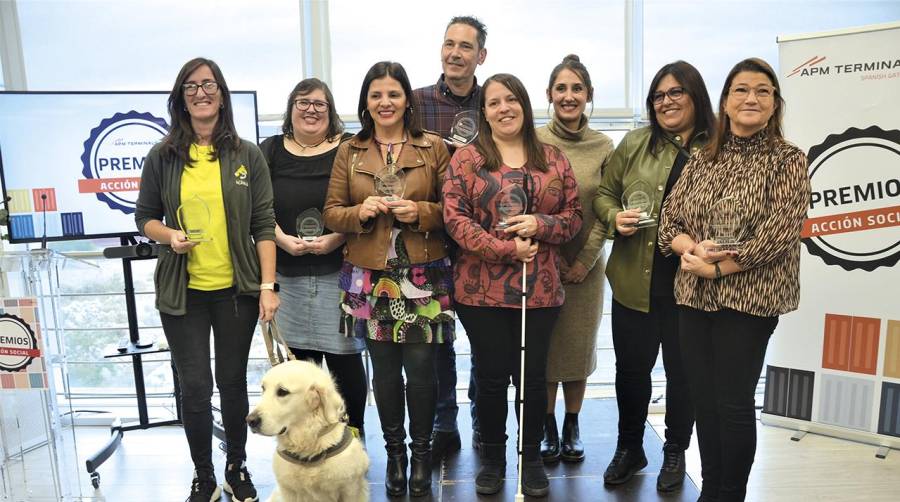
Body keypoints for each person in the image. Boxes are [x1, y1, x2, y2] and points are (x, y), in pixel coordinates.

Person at [658, 57, 810, 502]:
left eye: (763, 91)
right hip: (693, 297)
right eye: (741, 89)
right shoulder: (703, 157)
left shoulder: (788, 160)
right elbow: (670, 221)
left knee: (734, 404)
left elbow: (778, 235)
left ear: (775, 104)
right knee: (704, 404)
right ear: (724, 102)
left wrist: (719, 267)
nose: (751, 98)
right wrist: (691, 249)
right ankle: (710, 491)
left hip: (750, 301)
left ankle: (731, 494)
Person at [135, 57, 277, 502]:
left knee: (232, 382)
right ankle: (204, 475)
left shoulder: (246, 154)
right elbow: (145, 218)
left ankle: (236, 467)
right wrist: (169, 235)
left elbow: (264, 224)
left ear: (222, 94)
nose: (201, 92)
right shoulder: (162, 155)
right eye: (192, 86)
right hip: (184, 294)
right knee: (194, 385)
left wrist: (268, 287)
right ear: (180, 97)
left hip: (237, 292)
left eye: (209, 84)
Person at [442, 73, 582, 498]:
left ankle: (531, 457)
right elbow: (454, 219)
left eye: (511, 100)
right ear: (483, 112)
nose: (503, 108)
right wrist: (505, 248)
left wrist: (540, 224)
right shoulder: (467, 159)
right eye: (493, 102)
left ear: (523, 103)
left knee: (532, 377)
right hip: (480, 290)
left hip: (539, 288)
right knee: (490, 376)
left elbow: (575, 216)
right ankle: (495, 458)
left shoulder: (553, 158)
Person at [323, 61, 454, 498]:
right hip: (369, 276)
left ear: (406, 101)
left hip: (423, 271)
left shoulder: (433, 147)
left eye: (393, 94)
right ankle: (394, 456)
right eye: (376, 95)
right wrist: (358, 214)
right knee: (383, 373)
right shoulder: (350, 150)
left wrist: (420, 212)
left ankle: (421, 456)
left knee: (420, 371)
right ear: (366, 101)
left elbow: (452, 211)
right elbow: (331, 212)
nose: (385, 102)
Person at [593, 60, 716, 491]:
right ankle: (630, 447)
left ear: (696, 95)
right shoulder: (635, 142)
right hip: (634, 280)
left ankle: (676, 451)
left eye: (675, 93)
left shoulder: (719, 146)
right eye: (658, 96)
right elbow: (605, 194)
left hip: (692, 284)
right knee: (630, 371)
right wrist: (614, 217)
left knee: (683, 373)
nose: (666, 102)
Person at [259, 78, 367, 436]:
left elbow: (362, 204)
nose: (311, 109)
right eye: (302, 102)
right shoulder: (270, 150)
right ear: (290, 109)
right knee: (298, 369)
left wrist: (337, 238)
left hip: (341, 272)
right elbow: (258, 208)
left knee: (345, 361)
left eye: (319, 103)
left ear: (331, 111)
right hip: (286, 275)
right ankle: (305, 442)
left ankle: (352, 438)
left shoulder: (351, 147)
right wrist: (282, 239)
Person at [412, 14, 488, 459]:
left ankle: (482, 417)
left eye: (465, 46)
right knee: (438, 337)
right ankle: (444, 422)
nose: (455, 53)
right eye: (449, 44)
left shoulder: (495, 101)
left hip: (482, 239)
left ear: (481, 55)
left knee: (484, 336)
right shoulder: (417, 103)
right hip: (431, 236)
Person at [535, 54, 614, 465]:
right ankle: (546, 426)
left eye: (576, 89)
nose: (569, 96)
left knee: (579, 349)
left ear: (588, 95)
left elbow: (609, 206)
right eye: (561, 88)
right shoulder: (535, 142)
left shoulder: (604, 145)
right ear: (549, 94)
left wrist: (585, 260)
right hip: (541, 264)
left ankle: (572, 424)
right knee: (547, 349)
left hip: (587, 265)